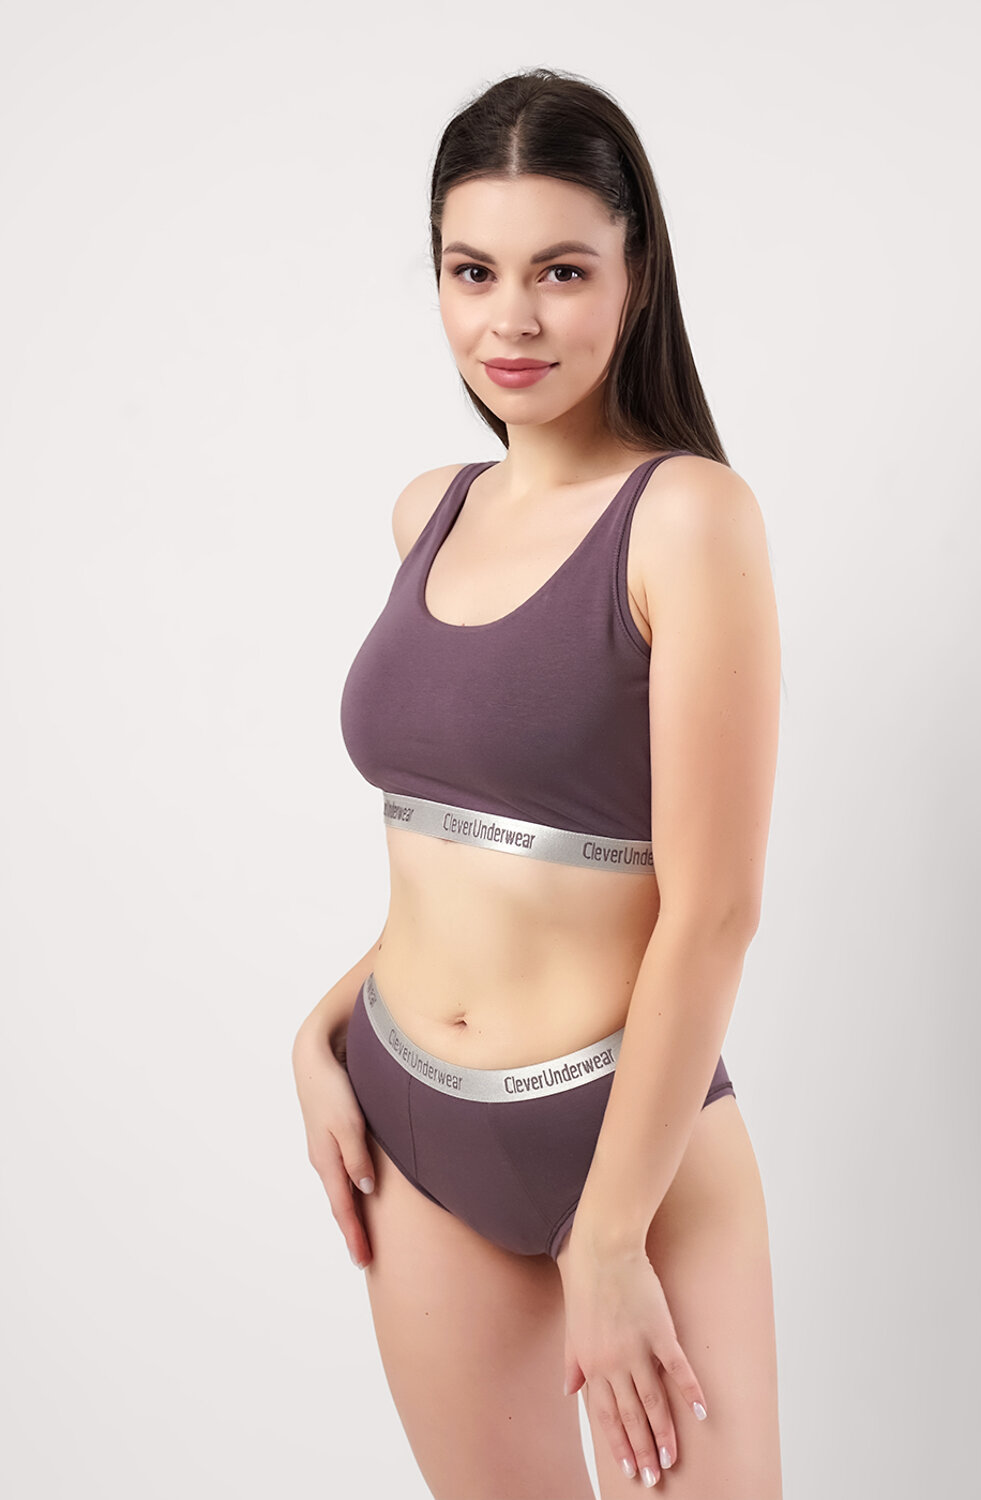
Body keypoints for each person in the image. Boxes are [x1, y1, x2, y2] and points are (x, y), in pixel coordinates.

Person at [292, 66, 783, 1499]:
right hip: (407, 1123)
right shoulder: (428, 513)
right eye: (474, 271)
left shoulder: (687, 518)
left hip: (630, 1146)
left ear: (636, 279)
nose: (510, 318)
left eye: (561, 271)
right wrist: (319, 1031)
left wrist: (611, 1237)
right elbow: (466, 856)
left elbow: (712, 910)